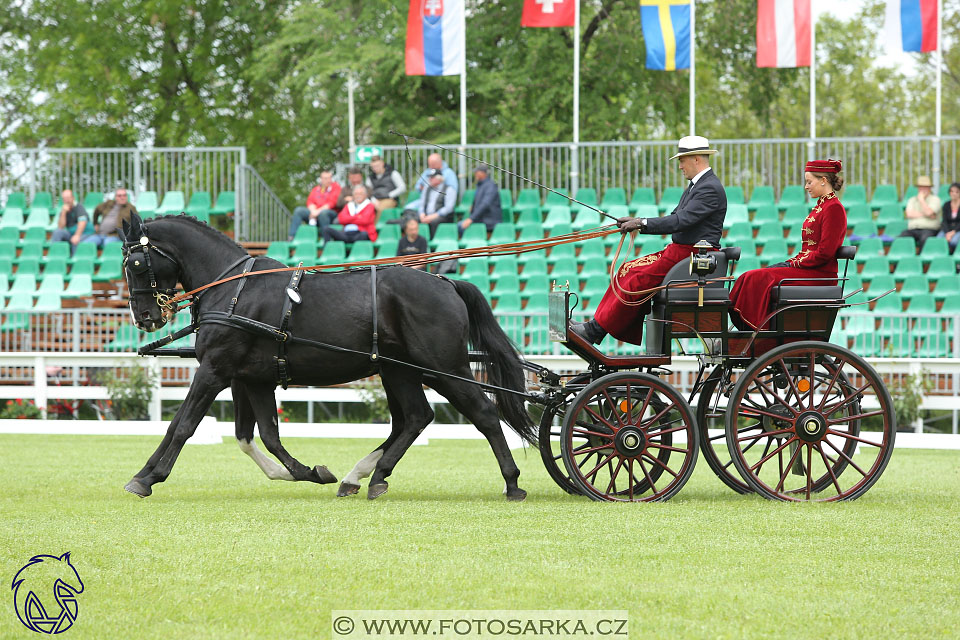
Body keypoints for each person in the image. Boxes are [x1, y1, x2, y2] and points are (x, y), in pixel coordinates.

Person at [570, 136, 727, 345]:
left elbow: (680, 220)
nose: (680, 166)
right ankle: (596, 327)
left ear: (696, 159)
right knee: (627, 269)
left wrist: (641, 223)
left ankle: (596, 330)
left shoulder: (709, 188)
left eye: (682, 160)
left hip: (692, 256)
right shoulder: (697, 186)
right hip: (681, 252)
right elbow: (675, 216)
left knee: (637, 280)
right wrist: (637, 221)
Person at [729, 159, 847, 331]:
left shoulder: (833, 208)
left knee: (757, 278)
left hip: (819, 275)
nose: (806, 187)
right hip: (809, 270)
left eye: (809, 182)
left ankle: (756, 330)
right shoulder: (821, 206)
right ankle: (750, 329)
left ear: (823, 180)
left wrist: (794, 263)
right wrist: (793, 261)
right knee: (750, 276)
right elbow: (810, 250)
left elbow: (824, 253)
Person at [287, 171, 341, 240]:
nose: (328, 180)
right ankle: (292, 237)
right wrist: (313, 211)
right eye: (325, 178)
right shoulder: (316, 189)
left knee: (323, 213)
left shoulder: (336, 187)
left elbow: (331, 203)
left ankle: (325, 239)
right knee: (299, 211)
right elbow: (310, 201)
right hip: (315, 213)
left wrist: (317, 212)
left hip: (329, 215)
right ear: (321, 179)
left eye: (329, 178)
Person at [899, 175, 941, 250]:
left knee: (925, 239)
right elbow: (909, 214)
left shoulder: (935, 199)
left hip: (929, 229)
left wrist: (921, 200)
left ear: (929, 188)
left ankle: (921, 259)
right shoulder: (912, 200)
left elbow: (929, 213)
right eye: (920, 187)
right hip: (913, 229)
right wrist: (927, 214)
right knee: (902, 238)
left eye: (925, 187)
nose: (922, 189)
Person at [459, 164, 501, 236]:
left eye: (477, 172)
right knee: (459, 225)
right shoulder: (481, 185)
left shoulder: (490, 186)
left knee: (460, 226)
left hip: (489, 220)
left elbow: (485, 204)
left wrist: (471, 219)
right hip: (481, 218)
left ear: (483, 173)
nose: (475, 174)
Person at [415, 169, 457, 236]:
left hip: (441, 216)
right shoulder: (427, 188)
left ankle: (433, 243)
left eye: (432, 177)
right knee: (414, 221)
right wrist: (422, 214)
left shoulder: (449, 189)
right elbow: (422, 204)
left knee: (434, 222)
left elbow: (449, 208)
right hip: (426, 215)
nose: (429, 179)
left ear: (439, 179)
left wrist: (433, 216)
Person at [50, 189, 90, 255]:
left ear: (73, 198)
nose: (66, 200)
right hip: (71, 233)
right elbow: (61, 227)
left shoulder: (79, 207)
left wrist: (77, 235)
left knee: (75, 241)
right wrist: (63, 213)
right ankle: (55, 255)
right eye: (64, 198)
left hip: (84, 233)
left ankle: (74, 262)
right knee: (57, 232)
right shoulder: (64, 210)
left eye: (68, 198)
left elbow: (82, 222)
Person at [938, 182, 960, 254]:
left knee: (954, 242)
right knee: (938, 240)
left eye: (957, 192)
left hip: (958, 230)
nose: (954, 193)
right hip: (947, 229)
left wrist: (953, 233)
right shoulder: (946, 205)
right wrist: (947, 233)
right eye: (952, 191)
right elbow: (944, 221)